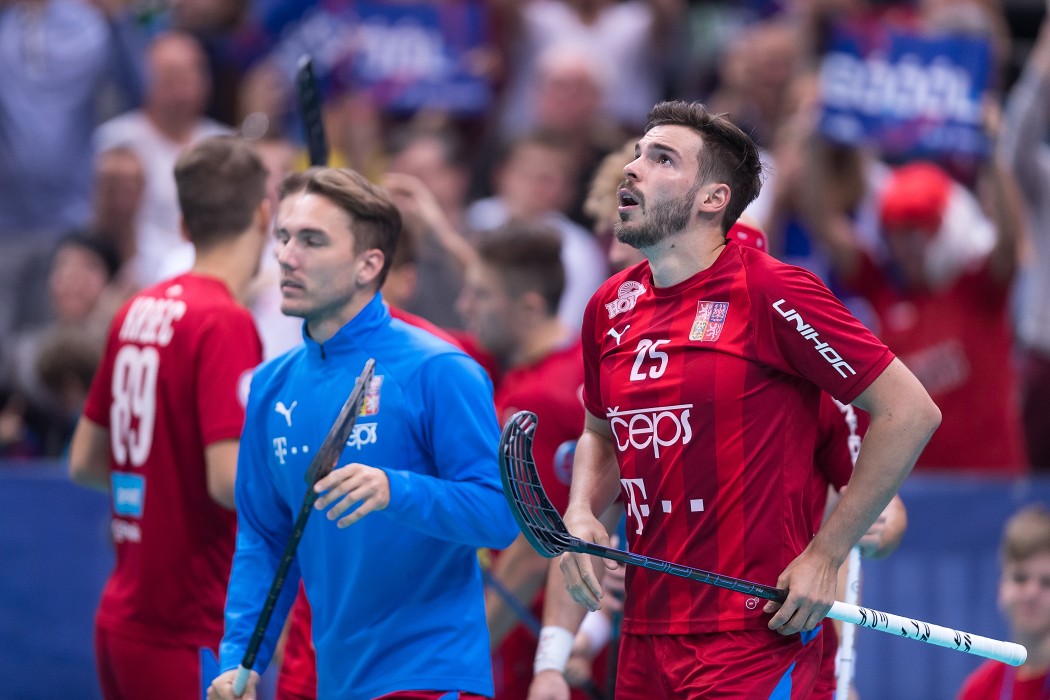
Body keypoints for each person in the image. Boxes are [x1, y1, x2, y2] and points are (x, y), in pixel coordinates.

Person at [556, 100, 939, 697]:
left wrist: (826, 554)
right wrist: (581, 512)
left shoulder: (771, 290)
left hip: (754, 637)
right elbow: (600, 432)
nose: (633, 168)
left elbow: (910, 411)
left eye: (661, 159)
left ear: (713, 198)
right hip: (645, 637)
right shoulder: (608, 306)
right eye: (637, 153)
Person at [208, 167, 519, 700]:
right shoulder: (271, 386)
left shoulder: (439, 367)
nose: (285, 255)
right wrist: (242, 657)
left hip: (431, 675)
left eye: (311, 240)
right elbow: (264, 535)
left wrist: (395, 489)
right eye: (282, 236)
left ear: (368, 264)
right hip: (335, 679)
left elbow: (498, 517)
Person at [67, 135, 271, 699]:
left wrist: (153, 491)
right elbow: (228, 482)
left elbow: (84, 462)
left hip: (120, 619)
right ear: (263, 212)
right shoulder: (224, 323)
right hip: (189, 629)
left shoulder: (138, 308)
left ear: (184, 224)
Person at [454, 221, 587, 699]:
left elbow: (536, 550)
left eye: (479, 295)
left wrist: (461, 659)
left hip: (528, 645)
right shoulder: (566, 363)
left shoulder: (541, 399)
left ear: (529, 307)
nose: (464, 307)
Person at [1000, 0, 1050, 471]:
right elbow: (1012, 151)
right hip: (1044, 357)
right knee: (1032, 492)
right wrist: (1041, 64)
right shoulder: (1045, 177)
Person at [957, 504, 1050, 699]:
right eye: (1020, 578)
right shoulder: (978, 690)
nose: (1031, 593)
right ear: (1001, 588)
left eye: (1046, 582)